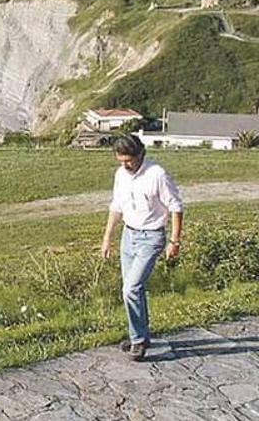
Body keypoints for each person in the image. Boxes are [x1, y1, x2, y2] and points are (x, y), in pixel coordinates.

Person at [99, 134, 184, 361]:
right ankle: (141, 335)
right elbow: (116, 206)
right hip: (129, 235)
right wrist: (108, 237)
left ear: (140, 155)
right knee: (132, 289)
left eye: (129, 160)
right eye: (121, 161)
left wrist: (174, 242)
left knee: (131, 288)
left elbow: (176, 207)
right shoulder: (121, 175)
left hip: (152, 237)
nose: (125, 165)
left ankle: (137, 341)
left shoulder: (157, 174)